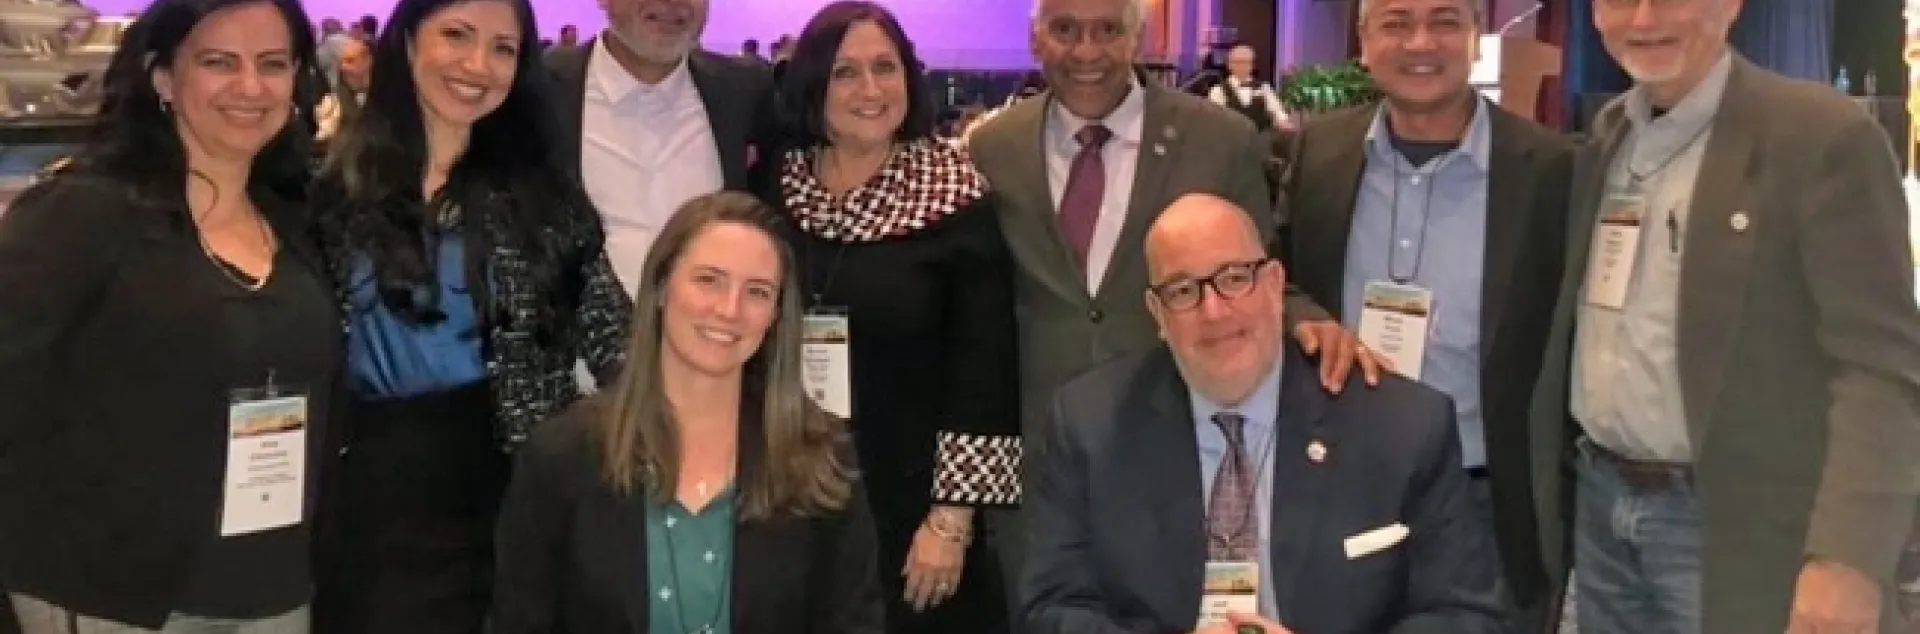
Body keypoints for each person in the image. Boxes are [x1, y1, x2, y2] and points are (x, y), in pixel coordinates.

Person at [1527, 0, 1920, 632]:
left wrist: (1846, 558)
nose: (1645, 18)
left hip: (1738, 528)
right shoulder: (1608, 138)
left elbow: (1881, 369)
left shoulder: (1821, 138)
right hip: (1604, 517)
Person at [967, 0, 1384, 594]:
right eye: (1065, 30)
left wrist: (1312, 322)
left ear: (1137, 38)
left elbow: (1261, 271)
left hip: (1181, 451)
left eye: (1108, 30)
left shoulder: (1219, 140)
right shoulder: (992, 148)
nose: (1086, 52)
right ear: (1037, 41)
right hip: (1041, 465)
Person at [1021, 193, 1503, 634]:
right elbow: (1050, 609)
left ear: (1274, 284)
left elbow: (1466, 617)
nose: (1214, 311)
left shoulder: (1403, 426)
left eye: (1233, 279)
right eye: (1184, 290)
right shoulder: (1091, 425)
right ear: (1157, 313)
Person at [0, 0, 335, 630]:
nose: (249, 87)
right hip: (112, 597)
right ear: (162, 77)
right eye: (218, 62)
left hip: (273, 588)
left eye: (272, 64)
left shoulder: (295, 220)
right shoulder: (81, 214)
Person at [309, 0, 630, 630]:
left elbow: (614, 333)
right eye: (456, 35)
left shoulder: (544, 195)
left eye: (503, 48)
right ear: (406, 45)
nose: (478, 65)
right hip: (365, 490)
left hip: (509, 482)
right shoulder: (329, 187)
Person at [1279, 0, 1575, 630]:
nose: (1420, 42)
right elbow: (1276, 279)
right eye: (1395, 22)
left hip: (1489, 504)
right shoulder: (1319, 155)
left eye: (1445, 21)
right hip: (1342, 490)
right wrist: (1304, 316)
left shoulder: (1550, 171)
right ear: (1364, 41)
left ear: (1477, 38)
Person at [491, 192, 886, 634]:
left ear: (776, 316)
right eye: (708, 280)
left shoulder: (820, 459)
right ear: (660, 287)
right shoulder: (560, 458)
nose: (729, 309)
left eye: (757, 292)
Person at [755, 2, 1019, 632]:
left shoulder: (955, 195)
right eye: (845, 72)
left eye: (885, 68)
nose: (870, 90)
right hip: (788, 490)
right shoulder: (775, 187)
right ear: (813, 83)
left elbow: (985, 372)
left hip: (912, 507)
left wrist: (952, 522)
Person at [544, 0, 778, 295]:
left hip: (711, 330)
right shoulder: (541, 90)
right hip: (570, 333)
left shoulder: (744, 92)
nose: (672, 4)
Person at [1205, 45, 1290, 132]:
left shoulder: (1264, 88)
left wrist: (1283, 122)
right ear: (1229, 65)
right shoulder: (1218, 91)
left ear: (1252, 65)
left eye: (1247, 62)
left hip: (1259, 139)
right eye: (1238, 62)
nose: (1243, 66)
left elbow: (1278, 111)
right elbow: (1215, 119)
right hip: (1231, 139)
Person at [314, 36, 368, 142]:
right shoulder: (333, 104)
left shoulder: (388, 103)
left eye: (351, 61)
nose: (343, 67)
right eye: (342, 61)